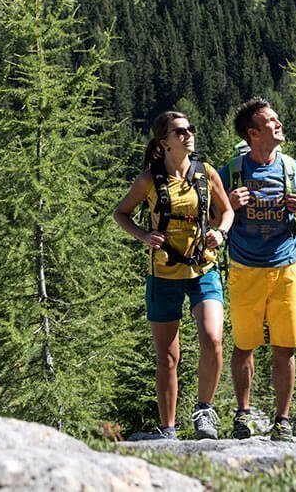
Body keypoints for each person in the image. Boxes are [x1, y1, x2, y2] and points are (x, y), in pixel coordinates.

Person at [113, 111, 234, 440]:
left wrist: (220, 233)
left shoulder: (206, 173)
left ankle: (204, 411)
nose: (188, 135)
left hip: (202, 269)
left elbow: (227, 211)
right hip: (163, 273)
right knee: (168, 357)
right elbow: (120, 213)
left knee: (213, 339)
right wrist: (143, 235)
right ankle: (168, 430)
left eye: (191, 129)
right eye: (180, 132)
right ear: (164, 142)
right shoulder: (149, 180)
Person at [224, 97, 296, 442]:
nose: (279, 124)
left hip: (285, 270)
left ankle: (283, 421)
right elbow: (212, 217)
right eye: (271, 121)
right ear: (253, 133)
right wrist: (230, 206)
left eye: (277, 119)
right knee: (244, 346)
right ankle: (243, 416)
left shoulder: (294, 170)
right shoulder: (231, 173)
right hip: (245, 269)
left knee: (286, 347)